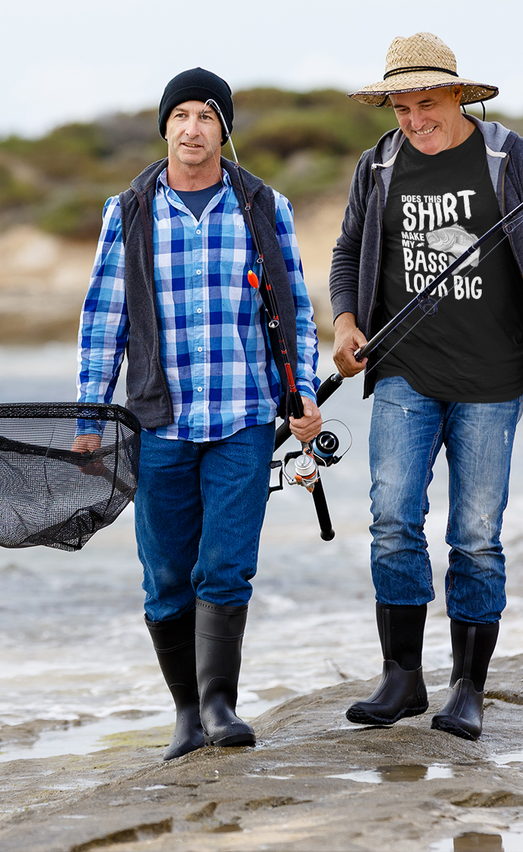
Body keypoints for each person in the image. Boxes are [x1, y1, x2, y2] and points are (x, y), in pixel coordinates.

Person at [329, 34, 523, 741]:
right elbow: (347, 249)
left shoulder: (508, 158)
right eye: (400, 106)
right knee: (392, 518)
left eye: (426, 103)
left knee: (475, 535)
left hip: (489, 378)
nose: (414, 119)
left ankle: (467, 687)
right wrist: (344, 320)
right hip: (402, 372)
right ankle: (400, 676)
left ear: (457, 96)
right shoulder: (376, 165)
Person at [72, 67, 322, 760]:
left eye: (206, 116)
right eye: (180, 115)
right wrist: (91, 415)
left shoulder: (262, 204)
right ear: (164, 126)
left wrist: (299, 393)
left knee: (226, 567)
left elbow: (295, 309)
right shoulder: (127, 210)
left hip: (242, 417)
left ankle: (219, 703)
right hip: (158, 422)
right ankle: (185, 711)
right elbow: (103, 321)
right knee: (165, 575)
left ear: (223, 130)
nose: (191, 129)